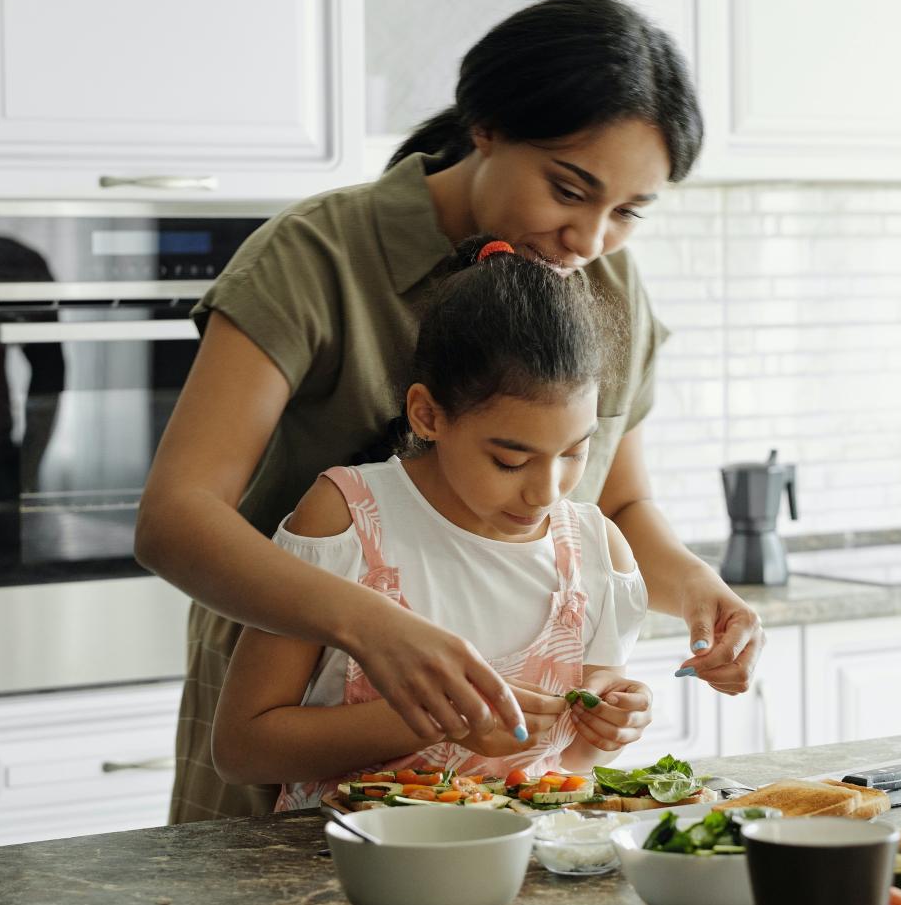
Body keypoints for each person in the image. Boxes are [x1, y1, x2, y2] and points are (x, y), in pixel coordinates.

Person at [135, 0, 765, 824]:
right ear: (488, 128)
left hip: (496, 785)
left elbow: (615, 502)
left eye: (627, 213)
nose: (591, 238)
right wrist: (373, 628)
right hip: (294, 707)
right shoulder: (315, 256)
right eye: (569, 189)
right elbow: (176, 518)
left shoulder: (605, 282)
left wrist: (696, 591)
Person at [211, 237, 653, 804]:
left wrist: (608, 729)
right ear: (427, 415)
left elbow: (572, 764)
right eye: (510, 460)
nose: (547, 491)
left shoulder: (596, 552)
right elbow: (242, 749)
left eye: (574, 452)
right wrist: (441, 718)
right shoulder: (347, 519)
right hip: (341, 870)